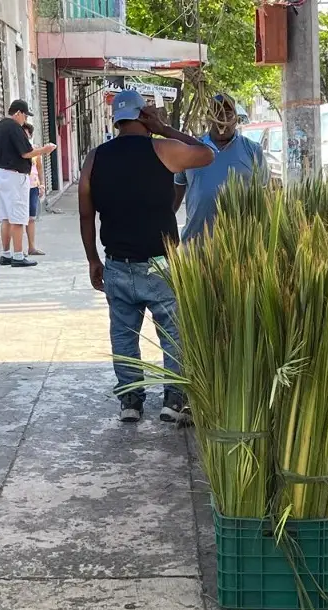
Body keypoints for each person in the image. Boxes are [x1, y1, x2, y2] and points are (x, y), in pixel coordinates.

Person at [78, 90, 215, 422]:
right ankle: (174, 400)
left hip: (117, 264)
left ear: (116, 121)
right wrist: (165, 128)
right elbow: (207, 154)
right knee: (173, 333)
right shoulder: (163, 149)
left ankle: (131, 402)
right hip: (160, 263)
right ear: (143, 116)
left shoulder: (94, 159)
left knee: (124, 334)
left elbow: (86, 214)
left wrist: (93, 260)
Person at [174, 93, 269, 241]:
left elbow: (264, 196)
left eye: (228, 113)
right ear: (207, 118)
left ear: (236, 119)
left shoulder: (253, 150)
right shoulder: (191, 148)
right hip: (196, 243)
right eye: (216, 113)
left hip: (239, 245)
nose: (222, 118)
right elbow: (176, 190)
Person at [0, 100, 55, 268]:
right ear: (18, 113)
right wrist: (44, 150)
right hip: (14, 175)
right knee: (18, 216)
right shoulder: (15, 128)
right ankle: (18, 255)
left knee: (5, 216)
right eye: (25, 116)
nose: (25, 120)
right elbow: (26, 153)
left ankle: (6, 254)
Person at [22, 122, 46, 256]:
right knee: (19, 218)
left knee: (31, 218)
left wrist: (42, 184)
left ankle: (31, 247)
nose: (25, 137)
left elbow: (39, 168)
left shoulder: (35, 150)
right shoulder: (17, 150)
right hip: (20, 187)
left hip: (33, 186)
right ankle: (19, 249)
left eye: (27, 135)